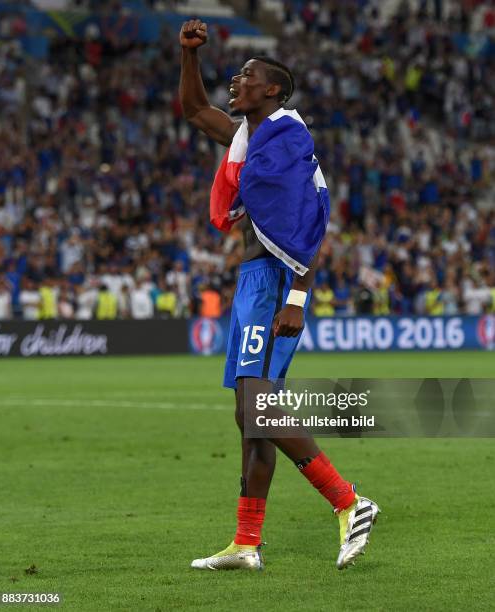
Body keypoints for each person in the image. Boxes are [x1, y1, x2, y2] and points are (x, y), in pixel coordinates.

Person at [179, 19, 379, 572]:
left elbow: (307, 222)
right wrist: (188, 56)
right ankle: (246, 542)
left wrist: (296, 295)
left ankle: (349, 501)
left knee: (256, 406)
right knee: (251, 417)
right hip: (253, 284)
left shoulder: (288, 138)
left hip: (273, 285)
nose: (235, 80)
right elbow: (195, 111)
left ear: (272, 90)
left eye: (247, 75)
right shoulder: (252, 136)